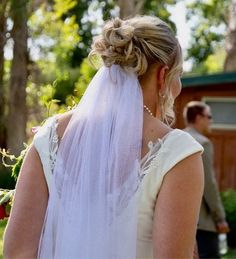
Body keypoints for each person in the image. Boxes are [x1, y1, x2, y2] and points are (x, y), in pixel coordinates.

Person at [4, 16, 204, 259]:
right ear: (163, 75)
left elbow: (18, 254)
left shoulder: (49, 138)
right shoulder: (178, 153)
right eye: (178, 74)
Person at [183, 101, 230, 259]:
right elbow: (208, 184)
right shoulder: (203, 143)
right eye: (209, 116)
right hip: (202, 222)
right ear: (198, 117)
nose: (211, 120)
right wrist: (220, 217)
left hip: (177, 219)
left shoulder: (174, 139)